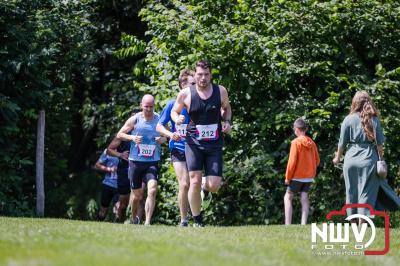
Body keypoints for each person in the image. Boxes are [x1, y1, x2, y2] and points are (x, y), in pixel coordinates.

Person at [171, 60, 232, 227]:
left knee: (213, 186)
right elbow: (174, 111)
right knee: (194, 180)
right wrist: (178, 119)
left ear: (210, 75)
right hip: (193, 143)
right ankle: (197, 220)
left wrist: (227, 121)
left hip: (214, 144)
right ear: (195, 75)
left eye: (206, 74)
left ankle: (204, 188)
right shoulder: (186, 94)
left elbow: (226, 108)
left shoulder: (220, 91)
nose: (203, 78)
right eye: (199, 74)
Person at [333, 91, 400, 222]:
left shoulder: (348, 119)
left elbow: (341, 143)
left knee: (351, 192)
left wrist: (337, 158)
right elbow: (379, 144)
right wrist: (381, 159)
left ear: (354, 102)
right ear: (368, 102)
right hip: (369, 160)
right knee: (366, 193)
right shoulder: (374, 119)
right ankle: (362, 225)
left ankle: (353, 224)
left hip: (350, 160)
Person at [117, 95, 166, 225]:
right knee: (137, 196)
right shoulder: (135, 119)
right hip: (135, 162)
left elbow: (168, 134)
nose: (149, 109)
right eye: (146, 106)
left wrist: (163, 139)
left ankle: (147, 222)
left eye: (151, 106)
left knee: (153, 189)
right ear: (141, 105)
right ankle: (134, 219)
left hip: (152, 161)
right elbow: (119, 134)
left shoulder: (159, 119)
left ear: (154, 105)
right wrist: (132, 138)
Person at [157, 69, 195, 227]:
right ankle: (184, 220)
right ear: (182, 85)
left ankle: (197, 217)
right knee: (184, 183)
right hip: (178, 147)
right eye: (192, 84)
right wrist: (170, 134)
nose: (195, 86)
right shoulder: (173, 104)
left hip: (195, 148)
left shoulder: (198, 104)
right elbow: (159, 126)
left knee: (195, 183)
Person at [107, 108, 142, 223]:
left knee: (139, 198)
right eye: (133, 118)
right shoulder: (123, 134)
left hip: (140, 167)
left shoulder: (146, 132)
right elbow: (109, 150)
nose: (135, 121)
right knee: (123, 205)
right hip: (124, 170)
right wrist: (120, 154)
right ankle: (120, 221)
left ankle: (138, 223)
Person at [284, 118, 320, 225]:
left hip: (296, 176)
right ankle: (303, 224)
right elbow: (317, 161)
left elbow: (292, 162)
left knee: (288, 196)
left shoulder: (295, 142)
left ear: (297, 129)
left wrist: (287, 177)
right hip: (309, 177)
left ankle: (288, 224)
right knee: (304, 197)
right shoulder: (312, 143)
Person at [94, 149, 119, 221]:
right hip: (108, 184)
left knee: (119, 208)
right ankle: (98, 224)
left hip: (121, 185)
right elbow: (97, 165)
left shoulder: (129, 150)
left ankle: (117, 227)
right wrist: (109, 169)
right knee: (103, 210)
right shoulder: (108, 151)